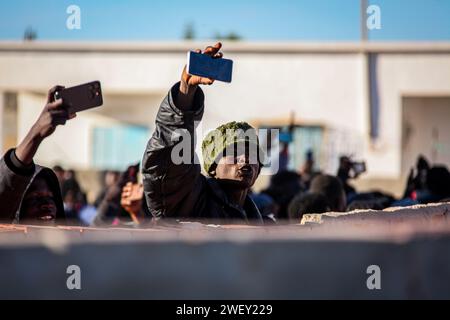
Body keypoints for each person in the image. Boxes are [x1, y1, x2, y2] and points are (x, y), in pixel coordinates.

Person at [142, 43, 266, 224]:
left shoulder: (256, 217)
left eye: (252, 153)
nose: (245, 159)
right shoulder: (192, 198)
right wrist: (186, 90)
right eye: (233, 152)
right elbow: (165, 159)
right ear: (213, 167)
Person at [0, 86, 76, 224]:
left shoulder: (73, 244)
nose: (47, 205)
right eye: (35, 199)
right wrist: (36, 134)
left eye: (51, 198)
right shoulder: (7, 244)